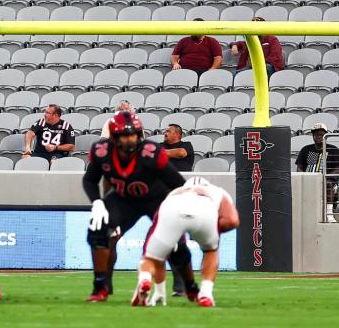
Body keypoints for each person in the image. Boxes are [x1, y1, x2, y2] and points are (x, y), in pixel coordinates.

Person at [83, 110, 195, 303]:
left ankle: (190, 286)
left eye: (133, 134)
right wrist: (98, 202)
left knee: (175, 244)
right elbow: (90, 180)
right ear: (114, 137)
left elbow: (175, 181)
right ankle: (100, 286)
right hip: (123, 199)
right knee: (98, 231)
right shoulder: (101, 151)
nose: (130, 140)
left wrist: (182, 204)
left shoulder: (150, 152)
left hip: (156, 198)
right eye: (125, 135)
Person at [133, 176, 238, 308]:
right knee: (211, 251)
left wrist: (173, 238)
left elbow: (159, 219)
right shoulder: (218, 191)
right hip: (205, 210)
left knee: (152, 257)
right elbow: (233, 221)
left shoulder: (175, 192)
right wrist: (215, 230)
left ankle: (146, 279)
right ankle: (205, 294)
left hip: (172, 209)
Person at [295, 122, 339, 223]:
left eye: (321, 134)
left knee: (328, 184)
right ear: (313, 136)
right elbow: (299, 167)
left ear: (326, 136)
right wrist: (305, 176)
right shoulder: (306, 149)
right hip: (308, 178)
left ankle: (329, 215)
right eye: (316, 134)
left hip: (326, 180)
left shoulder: (333, 149)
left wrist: (325, 177)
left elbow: (338, 168)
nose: (318, 136)